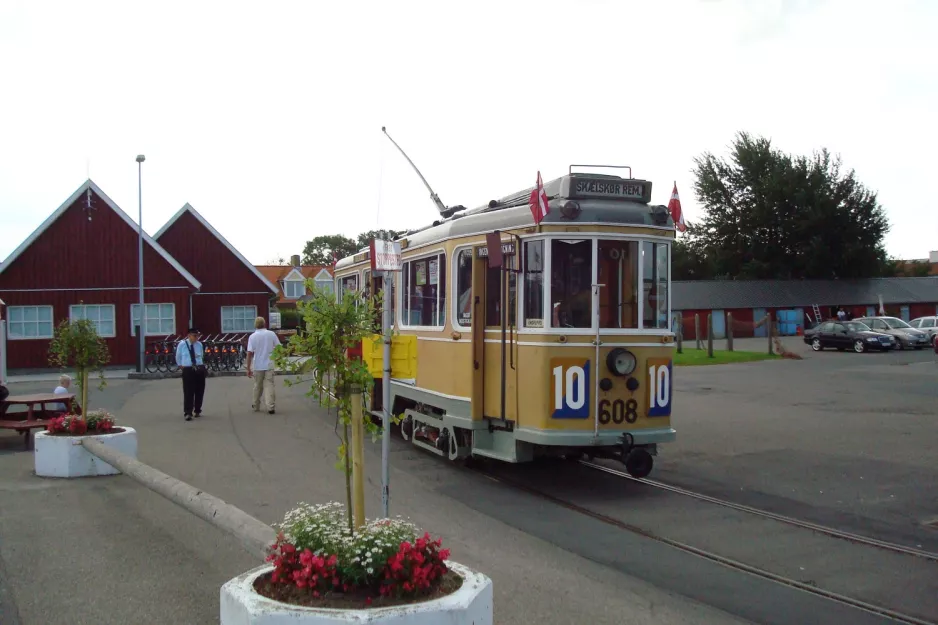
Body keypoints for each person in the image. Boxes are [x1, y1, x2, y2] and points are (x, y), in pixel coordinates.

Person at [247, 316, 280, 414]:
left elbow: (249, 353)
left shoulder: (252, 336)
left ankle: (255, 404)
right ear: (264, 323)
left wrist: (248, 368)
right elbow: (279, 347)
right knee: (269, 385)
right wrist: (277, 358)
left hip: (258, 364)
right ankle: (270, 406)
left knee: (258, 385)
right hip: (269, 363)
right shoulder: (271, 334)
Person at [175, 328, 206, 421]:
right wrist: (181, 366)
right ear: (189, 335)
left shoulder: (199, 344)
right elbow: (178, 356)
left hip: (199, 368)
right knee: (188, 391)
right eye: (194, 335)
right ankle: (188, 412)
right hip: (188, 368)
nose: (196, 337)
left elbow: (201, 355)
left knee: (200, 390)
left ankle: (197, 410)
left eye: (197, 336)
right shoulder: (182, 344)